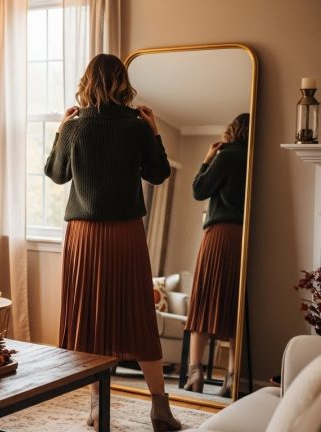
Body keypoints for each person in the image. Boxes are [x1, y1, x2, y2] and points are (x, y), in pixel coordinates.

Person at [45, 53, 181, 432]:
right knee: (138, 315)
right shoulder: (136, 126)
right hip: (126, 234)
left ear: (87, 83)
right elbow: (158, 173)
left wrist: (61, 127)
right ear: (123, 82)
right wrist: (153, 131)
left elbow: (56, 174)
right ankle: (160, 408)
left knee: (90, 319)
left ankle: (95, 407)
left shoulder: (75, 127)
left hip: (85, 237)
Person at [183, 113, 249, 398]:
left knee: (203, 302)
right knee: (234, 306)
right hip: (244, 239)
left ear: (232, 131)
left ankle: (194, 373)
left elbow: (199, 190)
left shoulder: (227, 155)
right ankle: (233, 379)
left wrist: (207, 158)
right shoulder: (257, 159)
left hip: (218, 235)